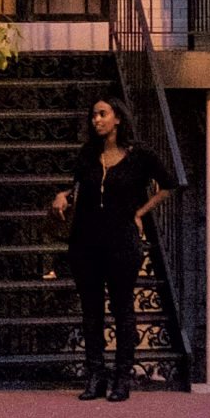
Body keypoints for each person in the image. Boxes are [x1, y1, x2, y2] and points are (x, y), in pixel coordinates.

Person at [50, 95, 173, 402]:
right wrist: (62, 195)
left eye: (102, 114)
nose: (97, 120)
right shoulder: (88, 154)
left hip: (122, 242)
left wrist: (140, 213)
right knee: (91, 313)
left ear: (118, 118)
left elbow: (169, 184)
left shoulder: (139, 155)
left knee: (122, 310)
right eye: (93, 115)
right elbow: (76, 185)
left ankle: (122, 378)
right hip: (85, 242)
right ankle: (95, 377)